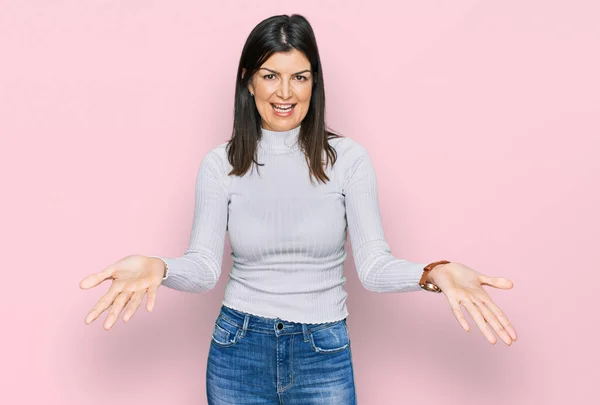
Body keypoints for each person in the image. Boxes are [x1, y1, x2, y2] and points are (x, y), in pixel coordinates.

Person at [79, 13, 518, 404]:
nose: (285, 92)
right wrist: (161, 266)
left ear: (314, 82)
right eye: (271, 76)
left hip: (323, 351)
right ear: (249, 81)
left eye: (300, 77)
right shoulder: (220, 165)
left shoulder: (348, 160)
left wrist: (432, 272)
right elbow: (204, 267)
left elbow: (373, 267)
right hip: (238, 350)